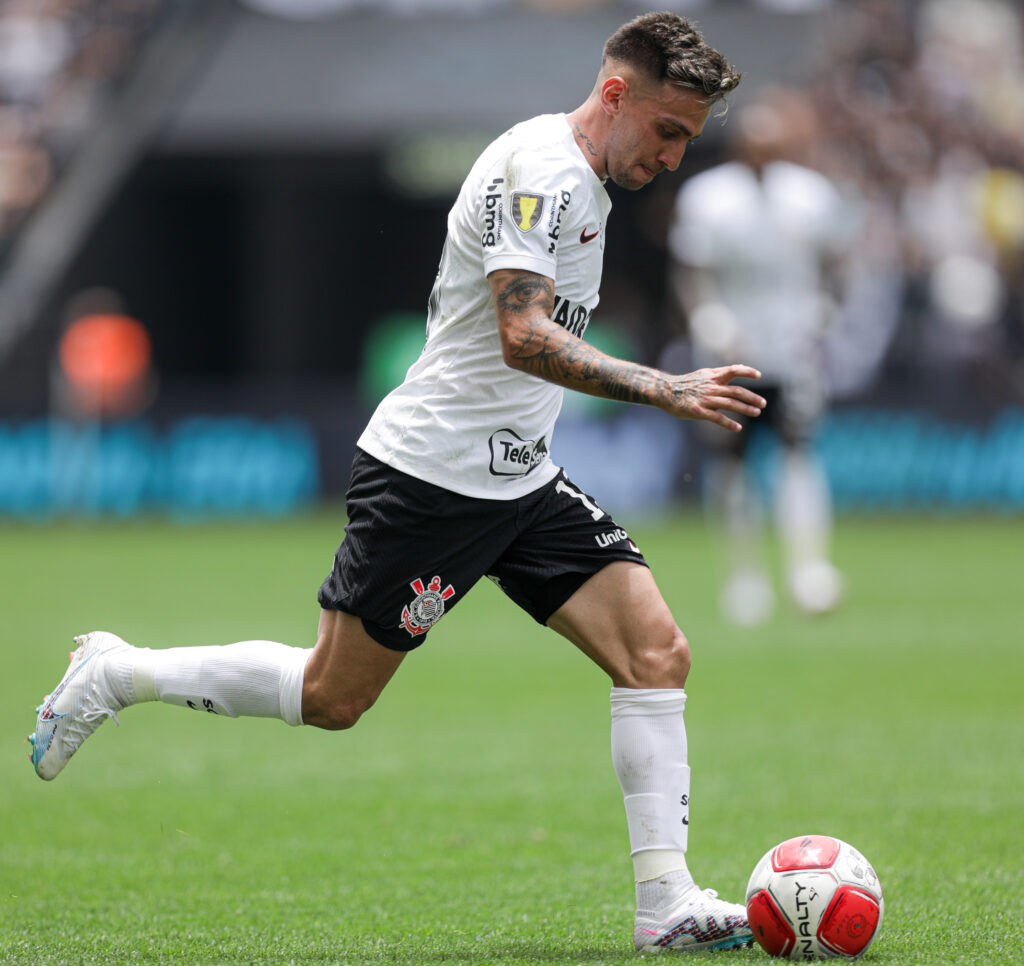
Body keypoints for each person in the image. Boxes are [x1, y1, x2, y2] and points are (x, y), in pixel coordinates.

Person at [29, 12, 764, 955]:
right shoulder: (540, 172)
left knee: (656, 652)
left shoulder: (592, 178)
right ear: (616, 93)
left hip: (520, 478)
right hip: (429, 479)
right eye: (668, 131)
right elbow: (523, 335)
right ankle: (119, 672)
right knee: (334, 696)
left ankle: (665, 902)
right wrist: (662, 386)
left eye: (688, 141)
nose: (672, 158)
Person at [669, 90, 851, 626]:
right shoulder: (707, 197)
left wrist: (825, 314)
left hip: (794, 347)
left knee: (799, 448)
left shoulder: (813, 195)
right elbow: (690, 274)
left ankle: (808, 570)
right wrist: (709, 320)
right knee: (732, 461)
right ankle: (745, 577)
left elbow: (836, 264)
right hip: (731, 350)